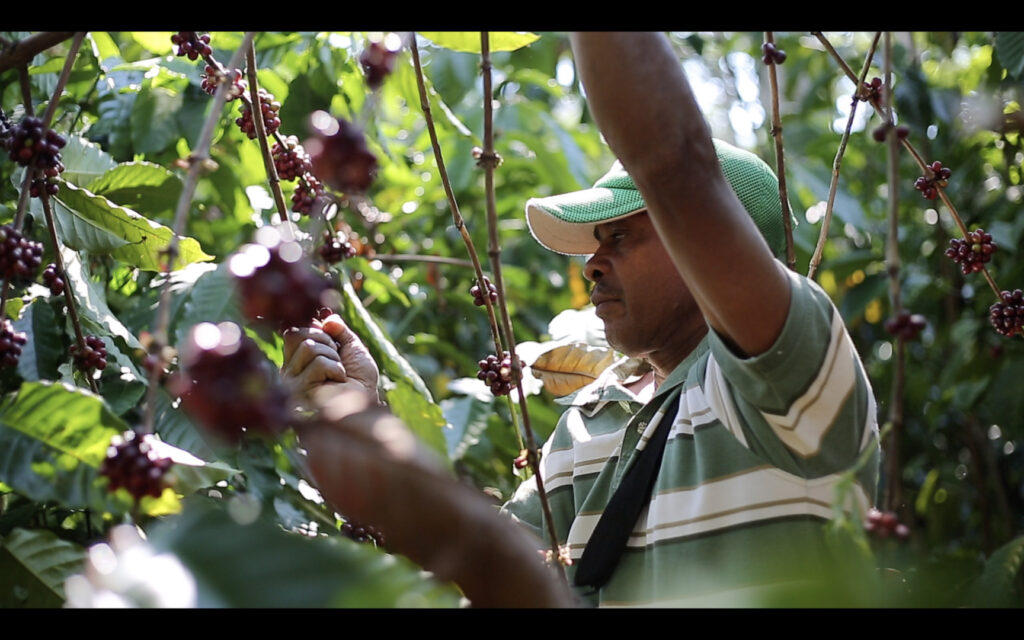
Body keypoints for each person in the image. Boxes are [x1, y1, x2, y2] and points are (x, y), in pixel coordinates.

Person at [283, 32, 879, 607]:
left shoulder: (782, 378)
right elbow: (490, 572)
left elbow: (675, 162)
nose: (592, 264)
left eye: (620, 236)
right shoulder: (593, 417)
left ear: (704, 243)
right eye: (596, 241)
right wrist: (364, 418)